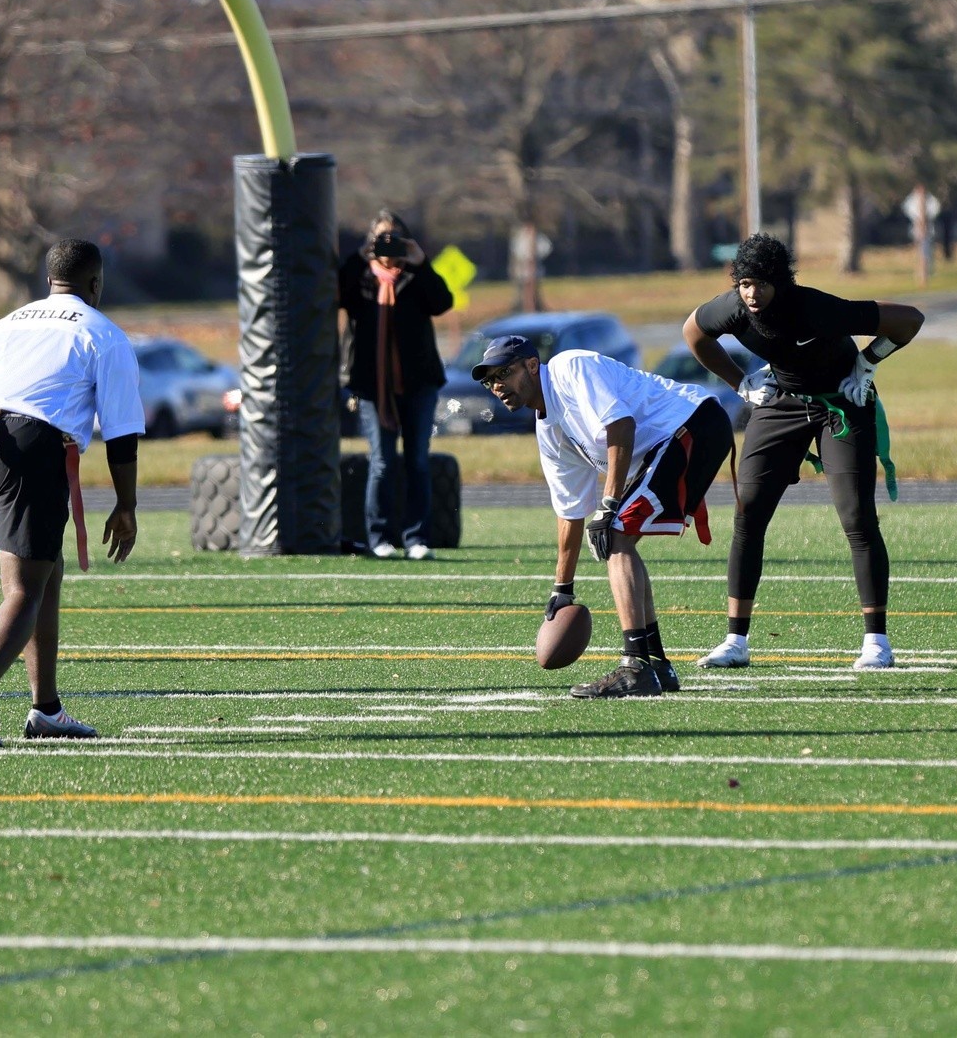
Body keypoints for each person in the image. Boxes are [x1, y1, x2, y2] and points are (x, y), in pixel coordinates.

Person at [681, 234, 925, 671]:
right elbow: (693, 333)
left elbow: (910, 319)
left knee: (856, 516)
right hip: (783, 400)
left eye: (761, 284)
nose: (752, 294)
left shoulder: (818, 307)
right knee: (748, 512)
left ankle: (876, 642)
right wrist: (740, 382)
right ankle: (735, 640)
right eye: (744, 283)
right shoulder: (734, 308)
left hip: (842, 401)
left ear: (781, 282)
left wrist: (867, 362)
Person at [0, 239, 142, 746]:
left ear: (48, 280)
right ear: (96, 283)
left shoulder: (3, 325)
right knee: (25, 589)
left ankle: (46, 710)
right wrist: (127, 504)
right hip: (32, 445)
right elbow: (120, 432)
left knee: (43, 572)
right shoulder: (103, 333)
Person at [473, 333, 732, 699]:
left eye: (503, 373)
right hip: (678, 437)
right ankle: (654, 663)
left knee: (615, 535)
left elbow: (621, 425)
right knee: (616, 536)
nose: (497, 386)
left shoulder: (568, 367)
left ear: (532, 365)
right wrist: (562, 588)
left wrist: (609, 503)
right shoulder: (548, 428)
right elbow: (570, 511)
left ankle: (636, 666)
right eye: (490, 380)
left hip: (693, 424)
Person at [339, 210, 454, 559]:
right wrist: (360, 257)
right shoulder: (361, 279)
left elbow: (442, 302)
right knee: (383, 460)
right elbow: (336, 294)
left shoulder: (415, 277)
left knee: (417, 458)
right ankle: (380, 538)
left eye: (394, 238)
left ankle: (416, 538)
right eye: (381, 238)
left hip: (419, 383)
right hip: (373, 386)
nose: (387, 245)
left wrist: (421, 263)